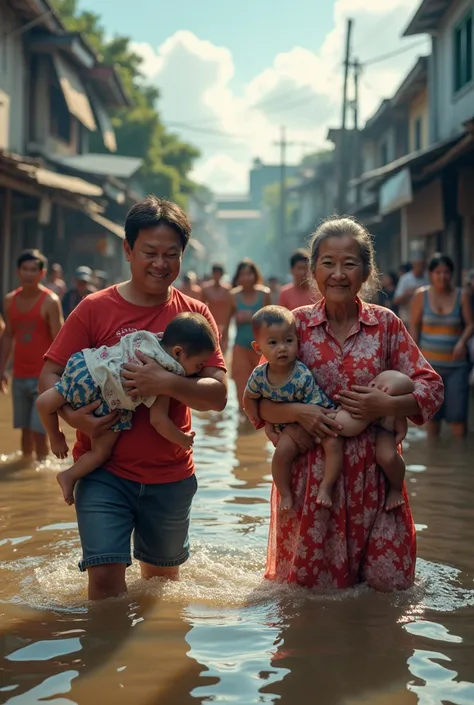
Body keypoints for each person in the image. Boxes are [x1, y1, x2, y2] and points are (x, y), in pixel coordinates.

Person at [38, 196, 227, 600]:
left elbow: (218, 395)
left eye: (171, 255)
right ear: (128, 250)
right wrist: (76, 420)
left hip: (169, 476)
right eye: (150, 253)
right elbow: (50, 376)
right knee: (104, 584)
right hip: (103, 472)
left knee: (160, 589)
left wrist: (164, 382)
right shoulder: (94, 309)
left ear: (182, 256)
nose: (161, 264)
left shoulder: (193, 316)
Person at [256, 216, 443, 591]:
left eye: (349, 264)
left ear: (367, 272)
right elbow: (260, 403)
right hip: (313, 484)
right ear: (313, 271)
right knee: (309, 600)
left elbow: (432, 389)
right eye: (328, 263)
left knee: (386, 593)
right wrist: (300, 413)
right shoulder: (294, 328)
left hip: (376, 481)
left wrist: (385, 406)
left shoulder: (386, 325)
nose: (338, 274)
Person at [243, 306, 415, 512]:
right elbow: (254, 400)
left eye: (289, 341)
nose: (282, 348)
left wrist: (392, 406)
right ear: (258, 347)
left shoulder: (386, 323)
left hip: (365, 472)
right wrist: (276, 422)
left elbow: (428, 387)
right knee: (281, 455)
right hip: (304, 468)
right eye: (273, 343)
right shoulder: (297, 322)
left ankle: (326, 486)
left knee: (333, 445)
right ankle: (285, 494)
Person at [37, 313, 217, 505]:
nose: (198, 371)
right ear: (178, 353)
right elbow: (158, 420)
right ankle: (69, 475)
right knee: (100, 453)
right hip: (109, 400)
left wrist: (65, 422)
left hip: (88, 368)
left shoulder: (148, 337)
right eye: (198, 365)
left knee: (44, 403)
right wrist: (182, 439)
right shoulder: (167, 371)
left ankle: (55, 436)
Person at [0, 250, 63, 461]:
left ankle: (41, 467)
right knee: (24, 430)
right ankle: (27, 468)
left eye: (33, 270)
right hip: (19, 375)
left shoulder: (50, 302)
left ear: (42, 273)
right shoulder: (10, 301)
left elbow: (59, 341)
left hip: (43, 378)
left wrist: (60, 378)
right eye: (24, 269)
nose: (28, 274)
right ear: (18, 271)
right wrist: (1, 370)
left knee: (40, 432)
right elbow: (8, 336)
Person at [410, 253, 473, 438]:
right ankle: (434, 454)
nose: (442, 277)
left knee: (458, 417)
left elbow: (471, 324)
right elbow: (414, 325)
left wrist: (462, 341)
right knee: (432, 417)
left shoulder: (462, 296)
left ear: (451, 274)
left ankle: (459, 458)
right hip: (430, 369)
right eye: (438, 272)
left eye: (446, 272)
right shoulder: (421, 296)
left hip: (457, 367)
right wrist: (416, 356)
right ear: (431, 274)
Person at [227, 259, 271, 412]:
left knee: (264, 385)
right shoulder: (233, 296)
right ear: (238, 277)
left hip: (262, 348)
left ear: (255, 275)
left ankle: (262, 419)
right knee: (241, 386)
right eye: (243, 274)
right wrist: (222, 345)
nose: (246, 277)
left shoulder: (264, 294)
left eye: (249, 274)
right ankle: (244, 419)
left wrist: (252, 315)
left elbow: (271, 322)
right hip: (240, 347)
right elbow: (226, 325)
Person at [201, 264, 232, 353]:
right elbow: (201, 306)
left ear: (222, 275)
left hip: (223, 324)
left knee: (222, 350)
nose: (217, 276)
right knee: (209, 349)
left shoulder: (227, 289)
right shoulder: (205, 288)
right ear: (212, 274)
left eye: (219, 274)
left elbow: (230, 309)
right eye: (215, 273)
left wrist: (227, 326)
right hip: (209, 323)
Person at [393, 253, 428, 326]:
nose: (420, 267)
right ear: (413, 265)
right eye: (418, 265)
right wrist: (408, 294)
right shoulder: (405, 279)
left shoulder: (427, 279)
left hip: (423, 319)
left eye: (422, 265)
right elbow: (396, 300)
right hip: (407, 318)